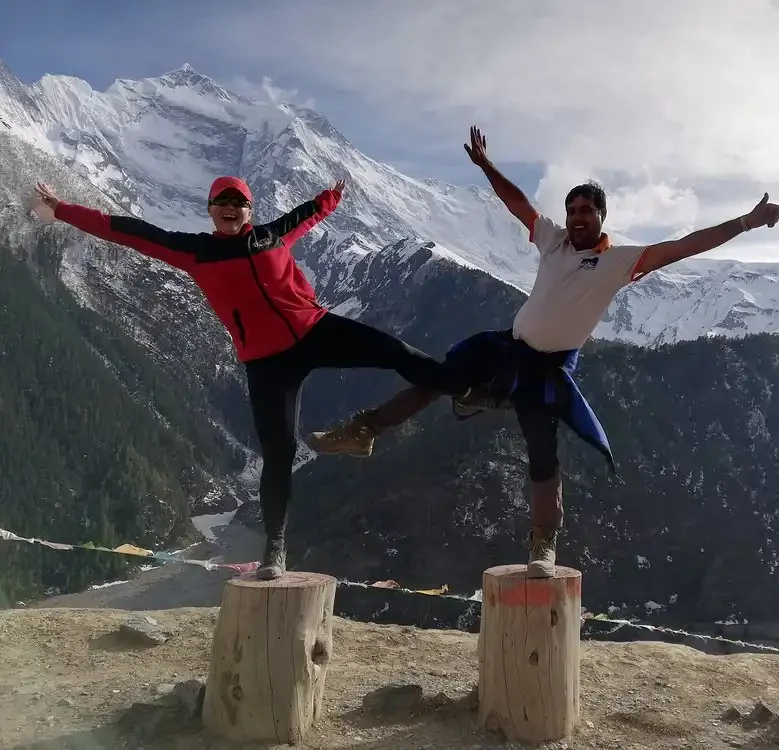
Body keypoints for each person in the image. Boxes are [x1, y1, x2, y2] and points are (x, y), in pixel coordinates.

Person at [305, 125, 779, 578]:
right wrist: (487, 167)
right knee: (435, 377)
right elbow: (519, 204)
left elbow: (686, 245)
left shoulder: (619, 262)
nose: (576, 217)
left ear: (601, 218)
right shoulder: (553, 241)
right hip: (505, 346)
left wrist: (746, 221)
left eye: (586, 211)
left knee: (541, 450)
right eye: (572, 209)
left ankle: (543, 540)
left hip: (548, 368)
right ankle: (366, 430)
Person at [30, 176, 471, 580]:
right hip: (267, 362)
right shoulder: (196, 251)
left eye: (237, 201)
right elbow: (127, 230)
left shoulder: (271, 235)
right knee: (278, 454)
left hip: (316, 330)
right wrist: (63, 209)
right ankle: (275, 548)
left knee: (399, 353)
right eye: (221, 201)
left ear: (250, 209)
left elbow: (311, 212)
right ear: (209, 210)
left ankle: (468, 389)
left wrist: (334, 195)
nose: (229, 207)